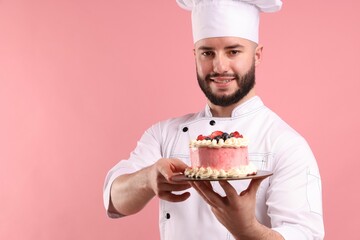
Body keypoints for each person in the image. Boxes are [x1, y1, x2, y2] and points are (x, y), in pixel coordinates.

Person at [103, 0, 325, 239]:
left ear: (257, 55)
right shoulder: (164, 134)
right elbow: (114, 200)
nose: (219, 66)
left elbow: (304, 234)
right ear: (195, 56)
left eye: (233, 51)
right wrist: (146, 179)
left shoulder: (286, 144)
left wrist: (247, 230)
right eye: (207, 52)